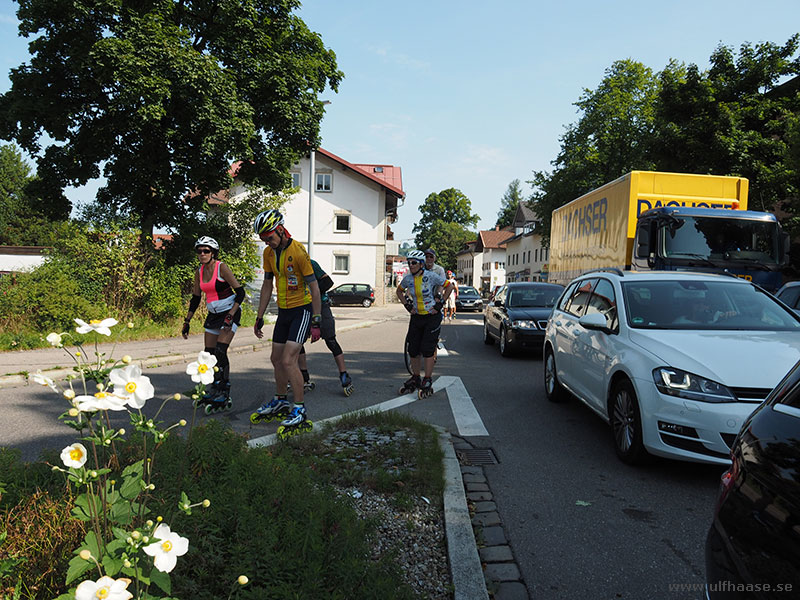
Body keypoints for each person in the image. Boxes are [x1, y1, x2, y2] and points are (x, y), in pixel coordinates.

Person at [250, 209, 322, 435]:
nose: (267, 242)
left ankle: (299, 408)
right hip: (283, 311)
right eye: (263, 239)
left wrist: (317, 319)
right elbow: (267, 285)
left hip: (301, 310)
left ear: (280, 230)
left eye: (269, 237)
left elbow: (315, 287)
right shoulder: (268, 254)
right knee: (276, 359)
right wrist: (259, 316)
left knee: (289, 360)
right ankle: (281, 400)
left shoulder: (298, 251)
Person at [182, 236, 244, 412]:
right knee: (208, 355)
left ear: (213, 253)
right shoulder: (199, 271)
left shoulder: (221, 267)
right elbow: (195, 298)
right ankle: (215, 387)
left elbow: (240, 293)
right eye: (199, 251)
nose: (202, 254)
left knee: (220, 351)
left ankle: (224, 390)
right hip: (213, 314)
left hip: (229, 312)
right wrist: (187, 321)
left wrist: (231, 315)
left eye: (206, 251)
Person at [396, 250, 453, 399]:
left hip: (431, 317)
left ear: (421, 264)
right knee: (413, 349)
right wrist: (407, 306)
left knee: (427, 349)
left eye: (414, 262)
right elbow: (399, 291)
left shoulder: (431, 276)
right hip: (417, 317)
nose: (411, 265)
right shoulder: (408, 279)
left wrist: (440, 304)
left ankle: (427, 378)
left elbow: (449, 286)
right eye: (409, 262)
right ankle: (416, 377)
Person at [296, 259, 354, 396]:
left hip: (321, 305)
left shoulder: (310, 263)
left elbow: (328, 282)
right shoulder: (286, 265)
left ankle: (344, 375)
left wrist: (312, 290)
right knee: (297, 341)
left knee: (331, 341)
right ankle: (304, 377)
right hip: (302, 307)